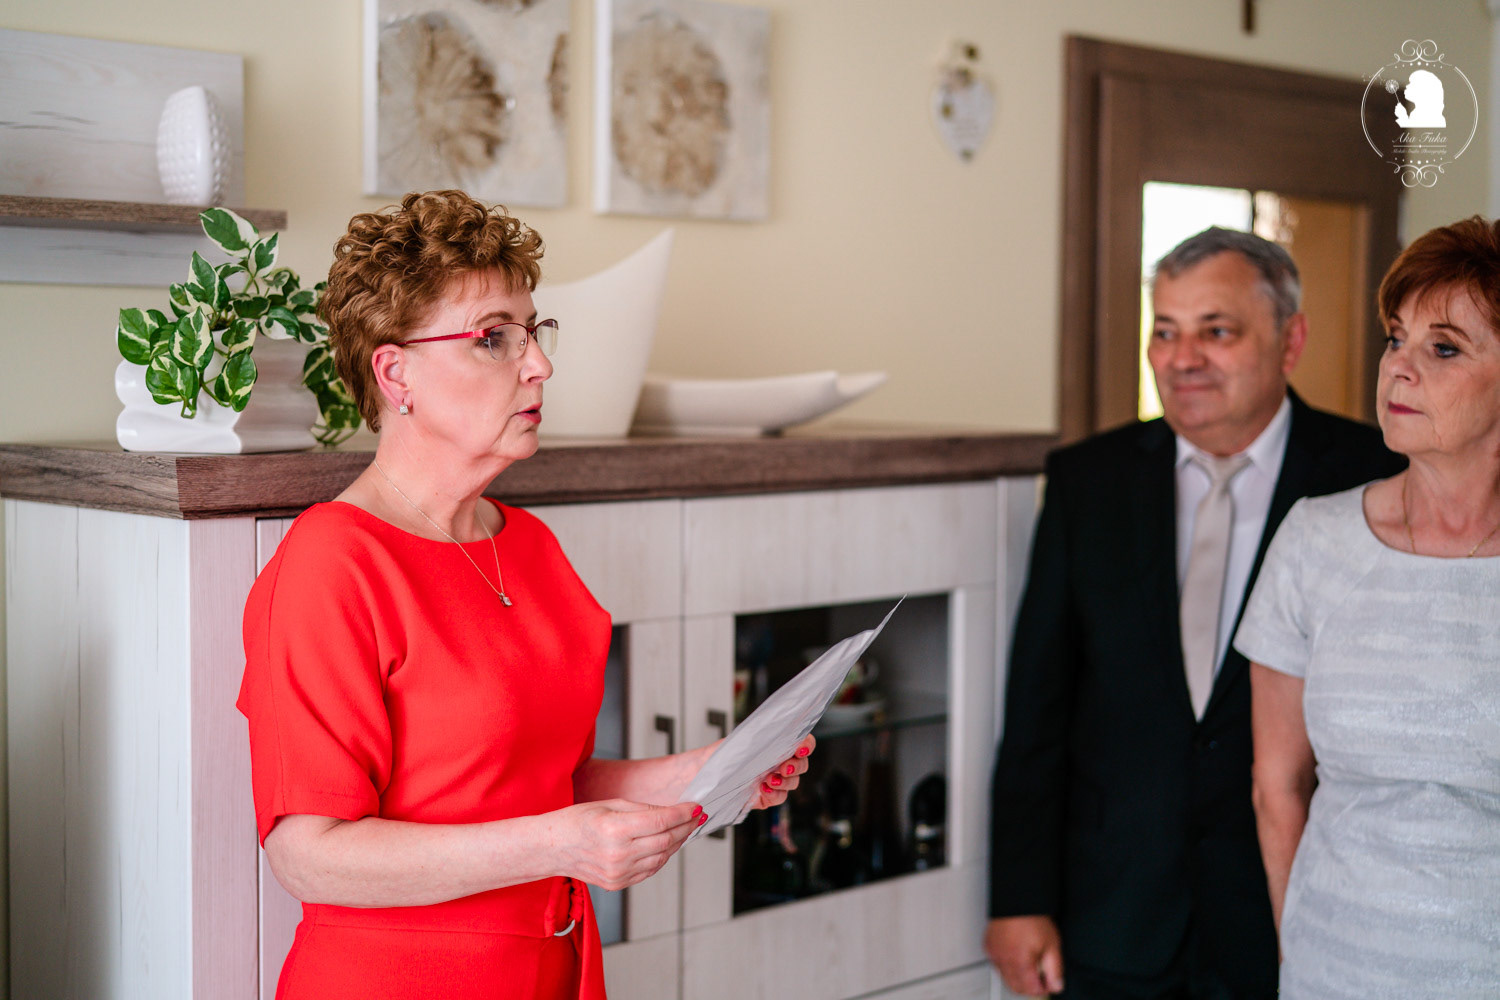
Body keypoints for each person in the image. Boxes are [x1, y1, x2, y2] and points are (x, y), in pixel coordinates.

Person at [237, 190, 814, 1000]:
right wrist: (557, 845)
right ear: (396, 373)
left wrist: (709, 774)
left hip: (551, 970)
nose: (538, 363)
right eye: (493, 338)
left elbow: (539, 788)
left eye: (534, 332)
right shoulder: (331, 564)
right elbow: (308, 855)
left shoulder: (530, 546)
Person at [985, 227, 1403, 999]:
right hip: (1111, 917)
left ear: (1291, 340)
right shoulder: (1088, 481)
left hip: (1292, 917)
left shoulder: (1374, 475)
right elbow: (1038, 706)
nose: (1182, 359)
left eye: (1217, 331)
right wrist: (1018, 898)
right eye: (1165, 331)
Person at [1236, 217, 1500, 999]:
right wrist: (1301, 948)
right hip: (1332, 973)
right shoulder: (1313, 541)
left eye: (1443, 348)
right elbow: (1277, 786)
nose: (1399, 368)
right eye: (1395, 339)